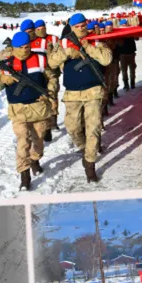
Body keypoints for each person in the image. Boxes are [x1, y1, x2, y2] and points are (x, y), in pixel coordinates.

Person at [49, 14, 113, 182]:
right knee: (72, 127)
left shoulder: (96, 40)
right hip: (72, 93)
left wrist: (88, 47)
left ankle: (90, 164)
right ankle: (85, 148)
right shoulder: (63, 43)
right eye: (77, 26)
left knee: (93, 128)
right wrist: (67, 53)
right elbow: (52, 62)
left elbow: (107, 59)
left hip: (93, 91)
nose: (81, 28)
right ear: (71, 27)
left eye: (83, 25)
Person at [0, 31, 54, 191]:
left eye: (27, 46)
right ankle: (24, 175)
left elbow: (51, 77)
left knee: (39, 139)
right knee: (23, 141)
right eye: (20, 47)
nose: (24, 50)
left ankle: (35, 159)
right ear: (13, 47)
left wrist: (49, 91)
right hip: (18, 110)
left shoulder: (40, 59)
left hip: (38, 107)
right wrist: (2, 78)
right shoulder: (7, 64)